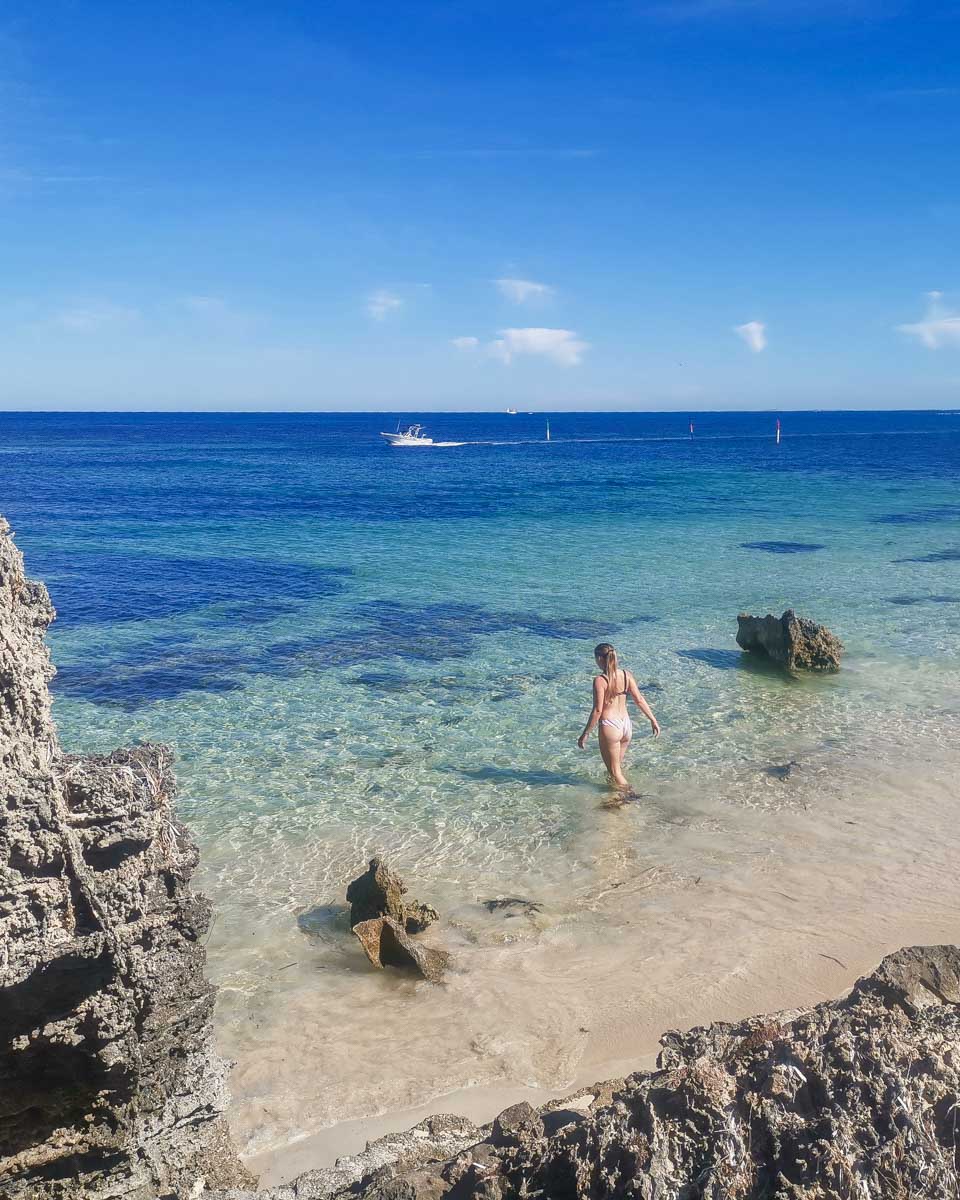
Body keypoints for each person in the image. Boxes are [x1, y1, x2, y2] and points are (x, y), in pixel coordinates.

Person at [577, 642, 660, 790]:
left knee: (615, 772)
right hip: (626, 725)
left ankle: (631, 796)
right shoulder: (626, 675)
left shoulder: (600, 680)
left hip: (610, 726)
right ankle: (614, 796)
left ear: (600, 659)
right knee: (614, 770)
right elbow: (639, 699)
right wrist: (653, 720)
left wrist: (585, 733)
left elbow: (597, 710)